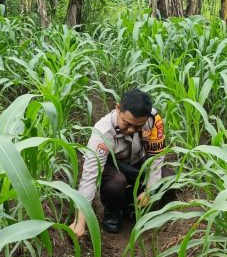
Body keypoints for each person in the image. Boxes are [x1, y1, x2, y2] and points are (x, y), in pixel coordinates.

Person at [69, 89, 167, 237]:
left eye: (138, 126)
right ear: (118, 108)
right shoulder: (102, 132)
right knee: (116, 182)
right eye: (127, 124)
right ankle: (113, 209)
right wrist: (80, 220)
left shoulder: (153, 120)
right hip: (113, 167)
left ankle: (131, 202)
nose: (131, 130)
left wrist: (149, 191)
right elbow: (90, 177)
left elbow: (156, 157)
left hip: (137, 162)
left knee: (166, 177)